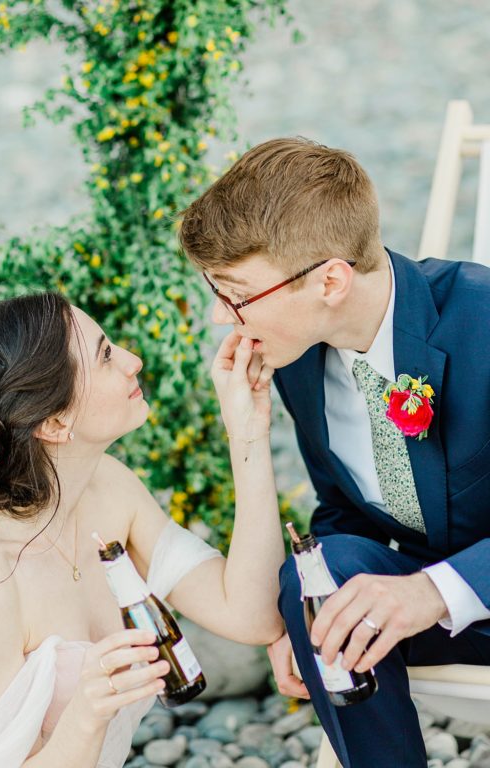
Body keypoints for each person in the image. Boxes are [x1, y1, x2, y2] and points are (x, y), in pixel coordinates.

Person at [179, 136, 490, 767]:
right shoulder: (298, 361)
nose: (220, 318)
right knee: (317, 572)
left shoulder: (482, 321)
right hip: (440, 616)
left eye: (235, 294)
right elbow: (343, 514)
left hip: (460, 591)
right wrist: (306, 614)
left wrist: (432, 591)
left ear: (330, 280)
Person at [0, 292, 285, 767]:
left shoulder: (111, 489)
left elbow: (251, 613)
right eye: (105, 356)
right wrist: (85, 715)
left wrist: (247, 431)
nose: (132, 360)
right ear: (57, 421)